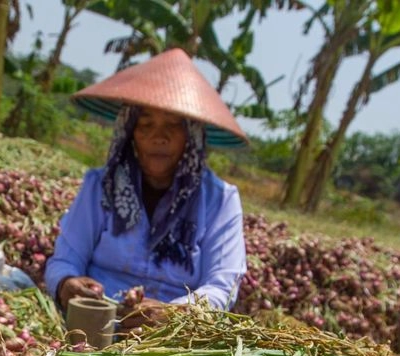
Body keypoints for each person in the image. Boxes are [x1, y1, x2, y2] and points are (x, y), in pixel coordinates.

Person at [44, 49, 249, 330]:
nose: (158, 137)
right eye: (145, 124)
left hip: (172, 339)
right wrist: (68, 284)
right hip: (92, 324)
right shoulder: (99, 186)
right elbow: (65, 259)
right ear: (130, 133)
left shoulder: (219, 200)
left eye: (172, 126)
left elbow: (223, 286)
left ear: (191, 136)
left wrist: (174, 313)